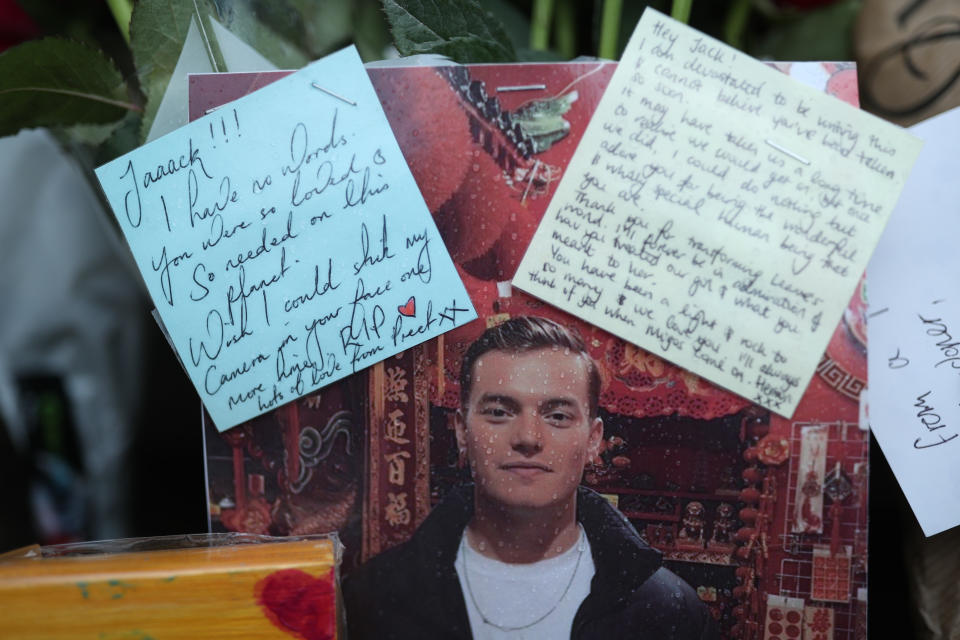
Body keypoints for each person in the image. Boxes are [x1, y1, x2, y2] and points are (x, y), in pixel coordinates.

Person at [343, 316, 718, 639]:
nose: (528, 438)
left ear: (593, 441)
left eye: (557, 416)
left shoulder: (669, 612)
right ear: (461, 432)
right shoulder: (374, 597)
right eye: (499, 412)